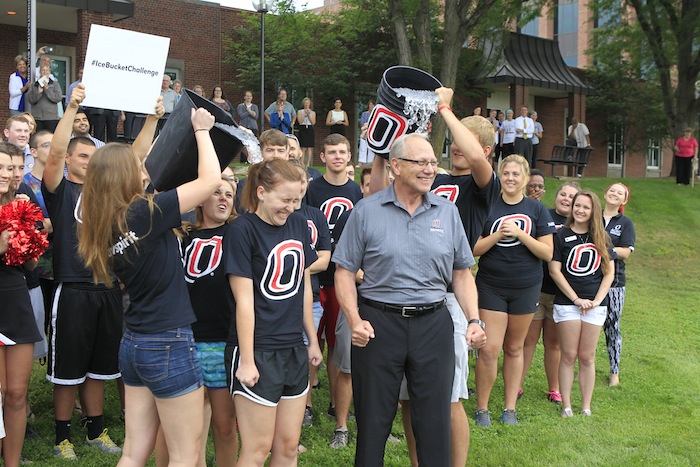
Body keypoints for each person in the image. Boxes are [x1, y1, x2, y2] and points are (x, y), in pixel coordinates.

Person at [333, 133, 486, 467]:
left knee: (434, 421)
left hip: (434, 324)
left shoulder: (447, 212)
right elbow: (344, 273)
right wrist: (355, 319)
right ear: (396, 167)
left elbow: (461, 273)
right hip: (378, 325)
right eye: (421, 162)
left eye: (433, 162)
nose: (430, 169)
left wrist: (473, 320)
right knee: (373, 421)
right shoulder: (366, 211)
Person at [78, 102, 215, 465]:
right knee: (186, 453)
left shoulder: (103, 223)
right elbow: (211, 182)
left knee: (135, 451)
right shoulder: (144, 213)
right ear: (125, 177)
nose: (144, 169)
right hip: (168, 340)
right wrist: (201, 131)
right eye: (138, 166)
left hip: (135, 342)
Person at [43, 86, 162, 461]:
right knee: (68, 370)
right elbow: (56, 153)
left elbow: (136, 156)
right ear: (69, 161)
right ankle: (63, 434)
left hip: (109, 288)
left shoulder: (110, 192)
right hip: (73, 290)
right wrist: (73, 107)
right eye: (81, 156)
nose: (87, 162)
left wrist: (154, 118)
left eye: (92, 157)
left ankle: (95, 429)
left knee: (99, 367)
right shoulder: (60, 191)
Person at [224, 159, 322, 466]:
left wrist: (312, 340)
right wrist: (248, 360)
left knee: (288, 447)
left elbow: (303, 286)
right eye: (285, 200)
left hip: (293, 347)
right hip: (259, 349)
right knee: (257, 449)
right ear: (262, 192)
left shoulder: (297, 223)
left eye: (297, 200)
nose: (292, 207)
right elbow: (244, 302)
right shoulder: (241, 230)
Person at [473, 154, 555, 426]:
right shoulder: (488, 204)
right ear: (499, 175)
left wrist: (521, 234)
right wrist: (498, 235)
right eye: (505, 173)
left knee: (515, 347)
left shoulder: (537, 210)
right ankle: (482, 408)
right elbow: (473, 250)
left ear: (526, 178)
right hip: (491, 286)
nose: (510, 178)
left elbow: (547, 252)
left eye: (515, 174)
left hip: (526, 287)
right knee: (489, 348)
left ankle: (509, 408)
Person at [180, 175, 239, 466]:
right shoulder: (182, 237)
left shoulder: (239, 234)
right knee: (190, 428)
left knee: (225, 425)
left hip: (224, 338)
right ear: (200, 199)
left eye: (229, 194)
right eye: (216, 192)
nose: (223, 198)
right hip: (186, 339)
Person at [304, 134, 362, 424]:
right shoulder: (311, 191)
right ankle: (307, 404)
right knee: (312, 341)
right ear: (322, 157)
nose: (337, 156)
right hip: (315, 278)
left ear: (349, 155)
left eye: (343, 151)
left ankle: (336, 403)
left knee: (339, 345)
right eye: (331, 152)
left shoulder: (356, 191)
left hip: (343, 279)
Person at [549, 190, 614, 418]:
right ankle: (566, 405)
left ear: (593, 210)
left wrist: (596, 300)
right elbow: (554, 270)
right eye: (577, 205)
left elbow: (609, 273)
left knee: (587, 356)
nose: (580, 210)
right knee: (568, 355)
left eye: (586, 207)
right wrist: (576, 299)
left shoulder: (602, 237)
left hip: (595, 306)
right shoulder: (561, 235)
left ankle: (586, 406)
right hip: (568, 304)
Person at [0, 142, 43, 467]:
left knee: (16, 393)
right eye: (3, 167)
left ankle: (12, 462)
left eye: (15, 168)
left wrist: (28, 238)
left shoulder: (22, 203)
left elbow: (30, 267)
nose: (10, 174)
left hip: (15, 298)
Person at [520, 181, 580, 403]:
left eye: (571, 196)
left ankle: (554, 388)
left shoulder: (579, 224)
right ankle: (517, 384)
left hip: (561, 294)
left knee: (553, 343)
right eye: (563, 194)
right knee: (528, 339)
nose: (566, 198)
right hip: (537, 287)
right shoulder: (542, 213)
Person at [602, 183, 635, 387]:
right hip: (587, 282)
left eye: (619, 193)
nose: (614, 194)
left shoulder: (625, 223)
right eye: (612, 190)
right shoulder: (592, 217)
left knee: (612, 327)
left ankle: (614, 371)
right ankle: (581, 367)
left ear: (624, 200)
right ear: (605, 194)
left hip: (615, 284)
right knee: (584, 328)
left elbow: (626, 252)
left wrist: (601, 249)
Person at [27, 65, 62, 132]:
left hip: (51, 118)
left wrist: (47, 89)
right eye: (43, 70)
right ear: (40, 72)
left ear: (49, 72)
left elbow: (58, 98)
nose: (45, 72)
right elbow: (30, 100)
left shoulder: (55, 84)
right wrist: (38, 93)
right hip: (37, 118)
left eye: (47, 70)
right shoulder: (34, 85)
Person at [297, 97, 316, 167]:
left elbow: (313, 122)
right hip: (303, 128)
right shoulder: (300, 112)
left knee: (309, 147)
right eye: (305, 103)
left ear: (309, 104)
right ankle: (301, 162)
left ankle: (308, 163)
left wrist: (309, 115)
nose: (306, 104)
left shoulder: (313, 112)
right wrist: (305, 115)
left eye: (308, 103)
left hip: (310, 128)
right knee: (303, 147)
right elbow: (300, 121)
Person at [357, 100, 375, 167]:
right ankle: (361, 162)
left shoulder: (376, 114)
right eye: (370, 104)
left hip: (372, 133)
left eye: (372, 105)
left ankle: (370, 163)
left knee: (371, 149)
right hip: (364, 132)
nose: (371, 106)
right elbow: (362, 123)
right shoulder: (364, 114)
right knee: (363, 148)